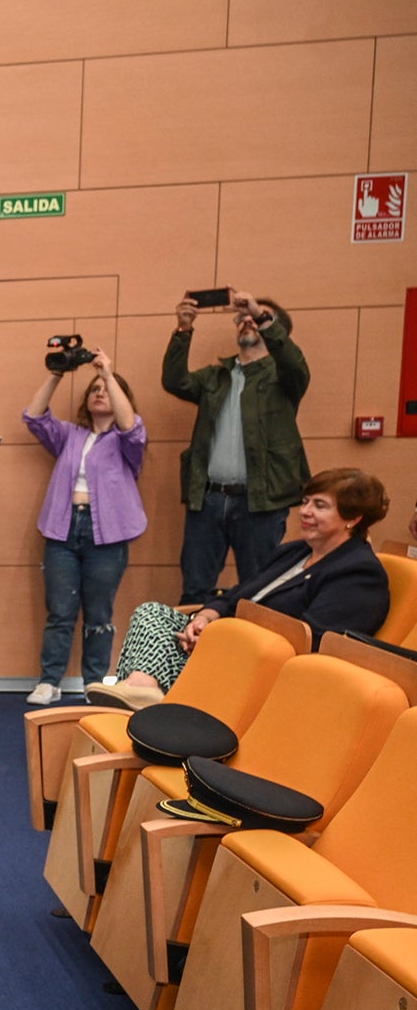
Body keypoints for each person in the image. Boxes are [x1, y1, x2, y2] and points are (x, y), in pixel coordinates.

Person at [94, 467, 392, 709]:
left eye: (320, 505)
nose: (305, 511)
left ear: (353, 519)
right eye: (305, 502)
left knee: (153, 653)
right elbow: (239, 595)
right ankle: (143, 689)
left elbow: (313, 641)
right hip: (224, 646)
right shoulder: (295, 552)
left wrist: (228, 633)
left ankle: (142, 694)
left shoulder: (358, 573)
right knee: (152, 613)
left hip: (258, 671)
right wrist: (207, 618)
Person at [164, 289, 309, 603]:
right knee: (194, 591)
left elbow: (294, 363)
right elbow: (174, 381)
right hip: (208, 499)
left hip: (260, 503)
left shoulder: (284, 377)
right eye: (243, 318)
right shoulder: (216, 376)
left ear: (274, 330)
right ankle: (192, 652)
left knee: (259, 593)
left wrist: (260, 313)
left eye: (256, 319)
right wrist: (183, 329)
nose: (247, 322)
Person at [23, 350, 145, 705]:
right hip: (62, 532)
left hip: (106, 536)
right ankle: (49, 680)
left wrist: (107, 373)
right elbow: (34, 416)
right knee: (60, 610)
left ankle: (95, 683)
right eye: (93, 388)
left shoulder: (128, 441)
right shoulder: (70, 435)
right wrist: (57, 374)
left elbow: (131, 425)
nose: (98, 392)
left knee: (99, 614)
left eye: (105, 389)